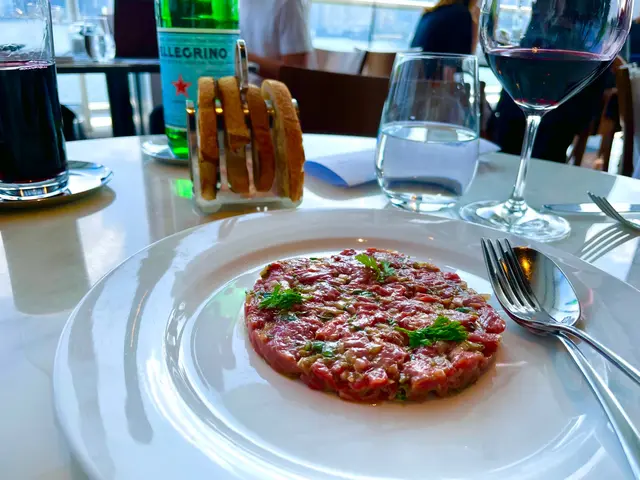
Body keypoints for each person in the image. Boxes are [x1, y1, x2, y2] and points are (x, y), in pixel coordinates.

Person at [240, 0, 316, 80]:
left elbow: (295, 75)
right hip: (245, 86)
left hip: (276, 88)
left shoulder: (289, 3)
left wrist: (242, 58)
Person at [410, 0, 480, 55]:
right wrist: (476, 24)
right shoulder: (461, 14)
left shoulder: (429, 13)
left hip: (415, 68)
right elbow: (460, 60)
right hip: (435, 68)